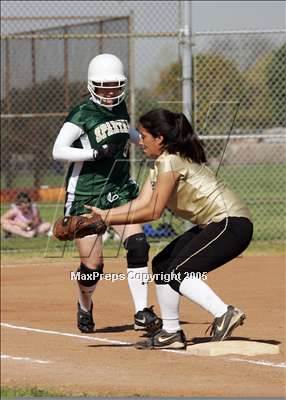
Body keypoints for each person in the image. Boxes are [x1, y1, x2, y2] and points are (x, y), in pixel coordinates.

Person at [86, 108, 253, 350]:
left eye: (143, 136)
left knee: (179, 271)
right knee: (164, 264)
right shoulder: (159, 165)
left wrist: (108, 219)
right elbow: (140, 203)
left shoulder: (170, 161)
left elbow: (153, 211)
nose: (139, 142)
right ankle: (171, 332)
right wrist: (104, 215)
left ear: (159, 139)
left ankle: (225, 312)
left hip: (230, 223)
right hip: (220, 224)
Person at [52, 53, 161, 334]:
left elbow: (124, 132)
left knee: (138, 245)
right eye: (104, 85)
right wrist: (94, 152)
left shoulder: (120, 107)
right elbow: (58, 149)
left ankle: (141, 312)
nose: (111, 91)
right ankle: (85, 303)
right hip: (86, 195)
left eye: (116, 85)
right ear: (92, 85)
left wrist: (146, 140)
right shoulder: (82, 113)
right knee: (93, 267)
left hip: (119, 189)